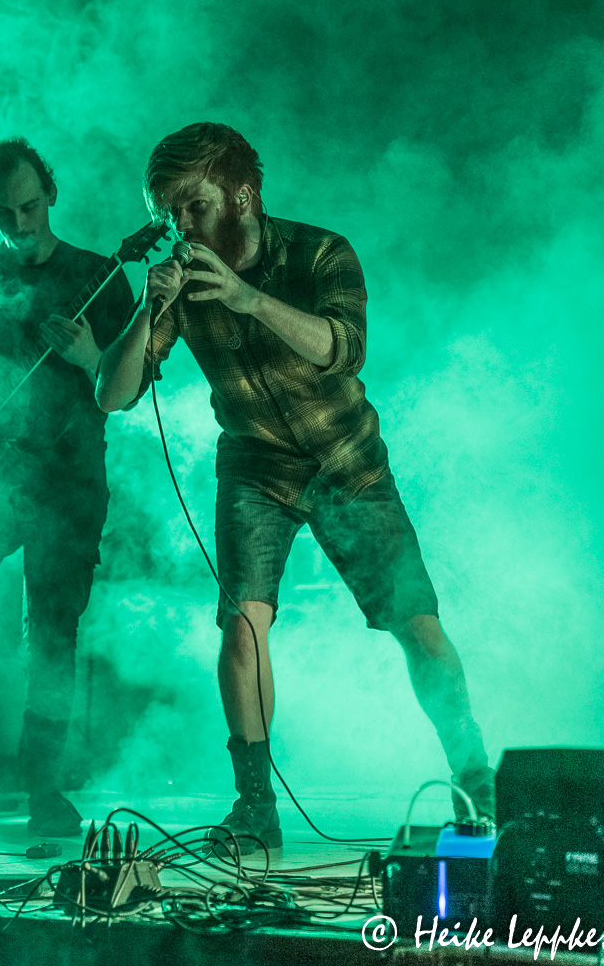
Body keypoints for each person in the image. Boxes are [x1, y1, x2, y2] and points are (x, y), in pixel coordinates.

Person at [96, 122, 494, 853]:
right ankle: (255, 810)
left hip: (349, 461)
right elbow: (112, 395)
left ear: (243, 195)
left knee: (417, 624)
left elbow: (344, 348)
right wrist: (150, 308)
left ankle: (479, 789)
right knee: (241, 624)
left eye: (193, 206)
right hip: (256, 467)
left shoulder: (320, 251)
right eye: (167, 213)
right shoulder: (181, 280)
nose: (180, 226)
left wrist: (248, 299)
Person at [0, 137, 133, 835]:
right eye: (4, 213)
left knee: (51, 634)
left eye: (29, 207)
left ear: (50, 193)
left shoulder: (100, 277)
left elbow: (126, 389)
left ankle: (43, 787)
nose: (19, 224)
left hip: (66, 478)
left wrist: (89, 356)